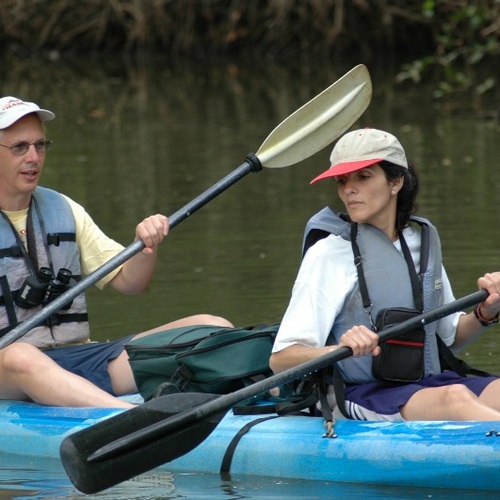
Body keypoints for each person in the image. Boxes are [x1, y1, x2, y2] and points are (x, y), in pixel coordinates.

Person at [0, 96, 232, 408]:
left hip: (78, 358)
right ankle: (129, 417)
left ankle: (272, 398)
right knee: (19, 355)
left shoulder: (63, 209)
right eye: (20, 147)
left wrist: (145, 247)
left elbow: (130, 282)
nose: (34, 157)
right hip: (10, 372)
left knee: (212, 327)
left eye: (40, 145)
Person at [270, 127, 500, 422]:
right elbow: (280, 360)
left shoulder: (421, 244)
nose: (348, 189)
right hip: (358, 393)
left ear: (396, 181)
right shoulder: (328, 255)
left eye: (363, 177)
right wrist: (340, 348)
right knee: (454, 398)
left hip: (428, 385)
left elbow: (450, 338)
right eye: (342, 181)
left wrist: (486, 312)